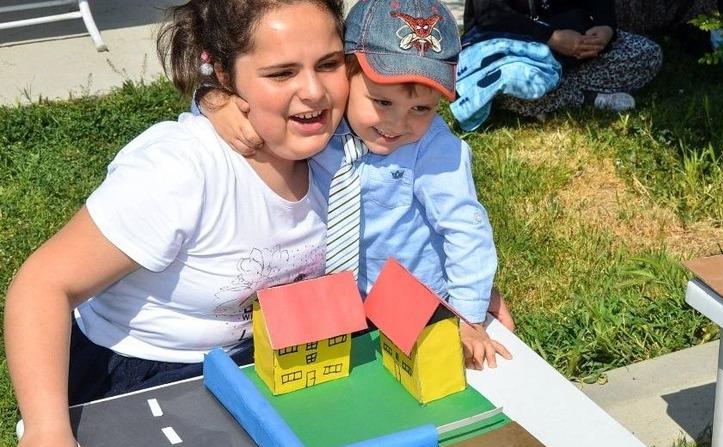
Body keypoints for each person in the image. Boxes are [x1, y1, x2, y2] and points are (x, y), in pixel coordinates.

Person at [4, 0, 350, 447]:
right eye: (281, 73)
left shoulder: (348, 153)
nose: (313, 91)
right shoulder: (181, 172)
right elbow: (42, 284)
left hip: (260, 363)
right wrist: (47, 428)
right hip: (139, 374)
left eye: (329, 64)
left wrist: (466, 302)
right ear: (225, 76)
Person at [200, 0, 514, 370]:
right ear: (346, 76)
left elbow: (465, 229)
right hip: (328, 304)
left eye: (422, 109)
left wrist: (468, 315)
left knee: (425, 391)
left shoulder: (433, 147)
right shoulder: (320, 125)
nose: (397, 123)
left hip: (415, 304)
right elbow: (260, 114)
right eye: (381, 101)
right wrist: (213, 103)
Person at [461, 0, 663, 118]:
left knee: (647, 55)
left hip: (569, 42)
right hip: (511, 46)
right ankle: (585, 97)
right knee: (515, 85)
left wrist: (605, 27)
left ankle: (557, 90)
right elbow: (490, 15)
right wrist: (551, 37)